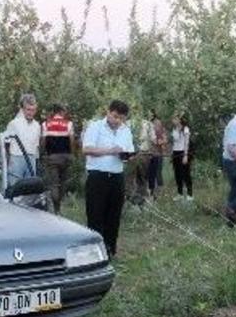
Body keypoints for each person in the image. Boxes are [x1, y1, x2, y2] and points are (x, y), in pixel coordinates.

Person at [81, 100, 135, 258]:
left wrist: (127, 156)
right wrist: (110, 151)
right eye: (115, 116)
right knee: (95, 214)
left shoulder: (126, 130)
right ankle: (95, 253)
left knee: (114, 215)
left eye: (121, 118)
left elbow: (129, 151)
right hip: (98, 176)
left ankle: (110, 250)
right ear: (108, 112)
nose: (117, 121)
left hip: (117, 176)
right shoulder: (95, 126)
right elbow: (87, 149)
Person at [40, 103, 76, 214]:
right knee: (63, 182)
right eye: (64, 111)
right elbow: (71, 140)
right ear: (61, 111)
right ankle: (59, 206)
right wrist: (72, 153)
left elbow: (43, 141)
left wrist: (42, 153)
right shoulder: (68, 124)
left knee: (54, 183)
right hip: (65, 156)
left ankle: (56, 208)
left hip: (52, 157)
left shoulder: (46, 124)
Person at [3, 93, 41, 185]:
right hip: (16, 158)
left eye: (33, 110)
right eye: (28, 109)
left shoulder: (37, 125)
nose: (30, 112)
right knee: (15, 185)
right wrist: (8, 162)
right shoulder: (14, 123)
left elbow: (36, 145)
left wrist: (36, 161)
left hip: (31, 158)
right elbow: (6, 143)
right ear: (22, 109)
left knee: (30, 187)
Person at [170, 113, 193, 201]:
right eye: (172, 119)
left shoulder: (185, 129)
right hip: (175, 153)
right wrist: (172, 154)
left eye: (174, 119)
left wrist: (185, 155)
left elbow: (186, 143)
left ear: (179, 119)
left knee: (186, 173)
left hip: (183, 152)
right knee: (177, 174)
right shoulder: (174, 129)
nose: (173, 121)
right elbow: (174, 142)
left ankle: (190, 194)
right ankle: (179, 193)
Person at [146, 110, 168, 200]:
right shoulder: (146, 123)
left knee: (157, 172)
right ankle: (151, 193)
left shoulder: (157, 123)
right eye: (148, 114)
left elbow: (163, 138)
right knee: (150, 173)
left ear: (154, 114)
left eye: (151, 114)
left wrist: (159, 142)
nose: (149, 115)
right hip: (148, 152)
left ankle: (158, 193)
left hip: (157, 152)